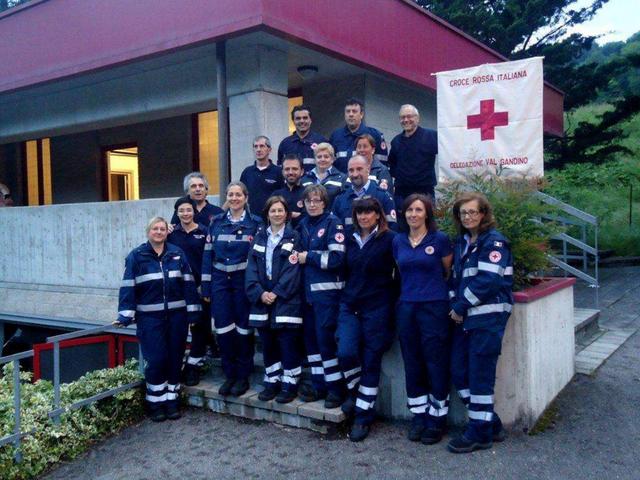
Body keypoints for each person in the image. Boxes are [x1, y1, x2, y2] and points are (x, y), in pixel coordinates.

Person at [115, 216, 202, 422]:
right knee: (156, 360)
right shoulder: (137, 256)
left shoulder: (176, 253)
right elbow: (128, 286)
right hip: (150, 319)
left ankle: (172, 402)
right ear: (148, 232)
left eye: (162, 229)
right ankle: (155, 403)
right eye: (155, 229)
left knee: (174, 358)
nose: (159, 232)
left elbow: (188, 284)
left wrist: (193, 311)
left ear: (166, 232)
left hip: (177, 317)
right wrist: (125, 314)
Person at [447, 192, 513, 454]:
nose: (468, 217)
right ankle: (490, 423)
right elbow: (455, 279)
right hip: (466, 320)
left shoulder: (495, 243)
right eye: (463, 213)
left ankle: (479, 433)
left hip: (487, 319)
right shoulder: (462, 243)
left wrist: (460, 305)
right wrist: (455, 303)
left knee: (480, 377)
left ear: (483, 214)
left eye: (473, 212)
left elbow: (489, 281)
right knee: (459, 371)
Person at [392, 194, 453, 445]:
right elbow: (400, 271)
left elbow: (447, 272)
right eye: (409, 210)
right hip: (407, 307)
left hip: (434, 308)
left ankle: (437, 417)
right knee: (413, 361)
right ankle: (419, 415)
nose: (413, 214)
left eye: (418, 210)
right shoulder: (398, 241)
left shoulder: (440, 240)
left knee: (435, 361)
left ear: (427, 213)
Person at [336, 196, 397, 442]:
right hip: (351, 305)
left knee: (371, 361)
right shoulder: (349, 239)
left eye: (368, 212)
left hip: (377, 308)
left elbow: (400, 274)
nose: (363, 217)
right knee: (346, 352)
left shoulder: (390, 240)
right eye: (359, 213)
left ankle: (363, 416)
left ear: (378, 215)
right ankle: (355, 391)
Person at [201, 181, 264, 397]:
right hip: (220, 282)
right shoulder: (216, 222)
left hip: (243, 282)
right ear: (227, 198)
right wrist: (207, 286)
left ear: (246, 198)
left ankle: (242, 376)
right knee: (224, 329)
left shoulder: (255, 223)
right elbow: (208, 255)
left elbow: (258, 258)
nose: (235, 198)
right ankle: (230, 374)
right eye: (231, 194)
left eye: (239, 194)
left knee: (243, 330)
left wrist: (256, 286)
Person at [245, 196, 303, 404]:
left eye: (280, 210)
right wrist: (260, 293)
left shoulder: (295, 237)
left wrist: (276, 292)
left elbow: (292, 269)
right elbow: (251, 269)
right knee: (268, 343)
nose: (277, 214)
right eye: (273, 211)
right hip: (262, 299)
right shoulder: (259, 238)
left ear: (286, 214)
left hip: (286, 300)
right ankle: (272, 381)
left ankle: (289, 384)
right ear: (267, 214)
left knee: (287, 344)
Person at [296, 184, 346, 408]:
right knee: (312, 344)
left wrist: (310, 256)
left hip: (327, 296)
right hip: (306, 296)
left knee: (326, 342)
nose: (313, 204)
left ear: (324, 202)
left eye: (317, 200)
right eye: (309, 201)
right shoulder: (302, 224)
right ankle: (319, 385)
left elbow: (337, 258)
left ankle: (335, 389)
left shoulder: (333, 223)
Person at [167, 197, 209, 386]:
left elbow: (210, 259)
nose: (185, 213)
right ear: (177, 213)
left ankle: (194, 366)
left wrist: (205, 285)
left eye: (189, 210)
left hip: (199, 288)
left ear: (194, 212)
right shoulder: (170, 234)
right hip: (177, 289)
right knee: (179, 328)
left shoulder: (204, 232)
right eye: (181, 210)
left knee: (200, 327)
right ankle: (178, 365)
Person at [387, 105, 438, 211]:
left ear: (417, 118)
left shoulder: (431, 136)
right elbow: (392, 165)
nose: (406, 120)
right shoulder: (396, 141)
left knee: (426, 225)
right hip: (402, 194)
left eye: (409, 116)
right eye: (402, 117)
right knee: (402, 225)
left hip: (425, 192)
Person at [332, 155, 397, 235]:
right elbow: (335, 230)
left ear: (368, 169)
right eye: (351, 170)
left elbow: (392, 229)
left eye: (359, 169)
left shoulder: (383, 197)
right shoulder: (340, 200)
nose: (355, 174)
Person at [329, 98, 388, 173]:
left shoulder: (375, 135)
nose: (351, 114)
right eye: (348, 111)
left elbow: (382, 164)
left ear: (361, 114)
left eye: (354, 111)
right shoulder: (335, 136)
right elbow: (330, 163)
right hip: (341, 182)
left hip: (367, 182)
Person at [277, 104, 328, 173]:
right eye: (298, 118)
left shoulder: (322, 142)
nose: (302, 121)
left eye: (305, 118)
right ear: (293, 121)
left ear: (310, 120)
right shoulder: (285, 144)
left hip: (316, 184)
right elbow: (281, 168)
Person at [240, 136, 284, 214]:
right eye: (255, 146)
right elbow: (241, 194)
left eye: (262, 146)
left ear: (269, 150)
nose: (258, 149)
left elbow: (283, 196)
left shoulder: (279, 172)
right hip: (252, 219)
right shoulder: (247, 172)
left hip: (272, 218)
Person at [300, 142, 346, 208]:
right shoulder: (305, 179)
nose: (322, 159)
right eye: (319, 157)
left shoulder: (342, 178)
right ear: (315, 159)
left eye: (326, 157)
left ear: (332, 159)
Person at [272, 154, 305, 227]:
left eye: (294, 169)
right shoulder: (276, 195)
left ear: (302, 171)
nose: (290, 172)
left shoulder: (308, 194)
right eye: (287, 169)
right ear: (282, 172)